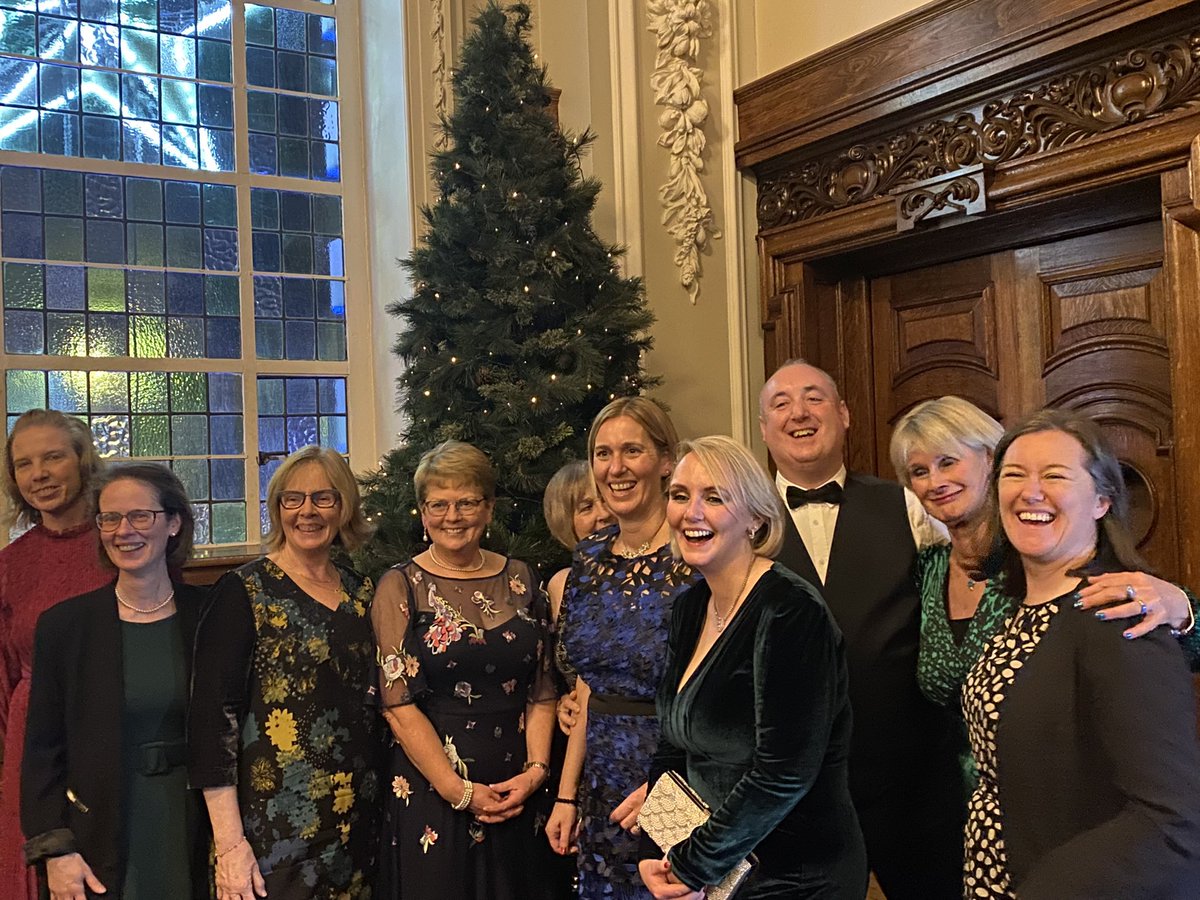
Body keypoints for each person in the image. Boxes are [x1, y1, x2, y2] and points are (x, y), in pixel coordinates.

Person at [961, 408, 1200, 898]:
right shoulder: (1015, 609)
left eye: (1054, 475)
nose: (1030, 491)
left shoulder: (1118, 611)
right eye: (1013, 474)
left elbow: (1172, 821)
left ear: (1101, 501)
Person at [758, 359, 963, 899]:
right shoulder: (739, 522)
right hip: (793, 790)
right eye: (781, 403)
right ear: (763, 428)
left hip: (911, 782)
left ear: (844, 415)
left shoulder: (912, 504)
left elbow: (976, 584)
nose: (799, 412)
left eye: (814, 398)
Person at [638, 436, 867, 900]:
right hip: (719, 873)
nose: (691, 512)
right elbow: (671, 746)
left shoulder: (790, 611)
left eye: (716, 497)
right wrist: (659, 839)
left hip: (796, 875)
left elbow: (784, 773)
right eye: (680, 495)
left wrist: (690, 865)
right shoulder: (690, 607)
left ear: (757, 520)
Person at [889, 396, 1197, 718]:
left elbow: (1165, 646)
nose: (935, 482)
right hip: (952, 767)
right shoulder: (927, 568)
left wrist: (1180, 609)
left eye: (948, 462)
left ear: (992, 460)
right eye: (919, 471)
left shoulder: (1042, 553)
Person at [189, 446, 380, 899]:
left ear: (344, 506)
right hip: (270, 834)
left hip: (359, 826)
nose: (307, 511)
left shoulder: (363, 591)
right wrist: (231, 845)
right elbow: (211, 724)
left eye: (323, 498)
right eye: (292, 499)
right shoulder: (243, 592)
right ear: (277, 509)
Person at [371, 440, 556, 899]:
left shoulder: (524, 578)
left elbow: (543, 689)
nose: (453, 516)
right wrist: (459, 790)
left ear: (489, 508)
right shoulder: (401, 586)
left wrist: (535, 773)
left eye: (468, 502)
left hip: (519, 792)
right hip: (436, 795)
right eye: (439, 504)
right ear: (422, 511)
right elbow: (398, 705)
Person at [22, 463, 209, 898]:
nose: (124, 531)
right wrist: (56, 851)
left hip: (196, 827)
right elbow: (42, 753)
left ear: (174, 523)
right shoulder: (64, 627)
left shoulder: (210, 616)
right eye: (110, 518)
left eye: (140, 516)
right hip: (99, 832)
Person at [556, 397, 701, 899]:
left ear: (666, 461)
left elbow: (727, 690)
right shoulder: (589, 557)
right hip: (600, 780)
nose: (615, 468)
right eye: (603, 453)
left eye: (632, 451)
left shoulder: (696, 552)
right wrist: (567, 795)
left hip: (678, 774)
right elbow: (589, 687)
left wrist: (676, 784)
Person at [0, 410, 112, 900]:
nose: (38, 474)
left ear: (82, 461)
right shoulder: (10, 565)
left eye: (52, 457)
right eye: (24, 464)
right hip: (31, 749)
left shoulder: (123, 543)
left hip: (109, 733)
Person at [542, 459, 612, 870]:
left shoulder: (650, 574)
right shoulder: (559, 585)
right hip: (579, 754)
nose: (600, 513)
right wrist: (560, 702)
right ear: (566, 521)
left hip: (636, 748)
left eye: (604, 499)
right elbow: (559, 674)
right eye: (585, 506)